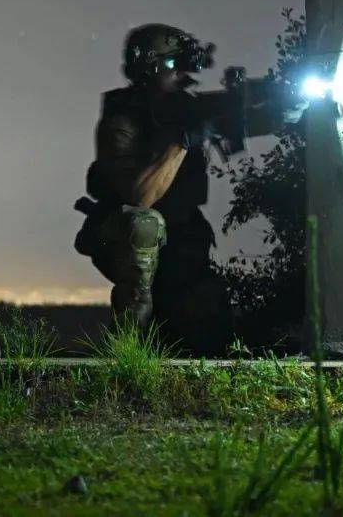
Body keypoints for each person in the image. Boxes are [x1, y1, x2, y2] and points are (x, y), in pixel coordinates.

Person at [74, 24, 268, 355]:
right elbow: (140, 196)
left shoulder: (187, 108)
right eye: (171, 66)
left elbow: (258, 121)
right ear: (149, 69)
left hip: (179, 238)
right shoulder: (123, 118)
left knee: (204, 326)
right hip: (120, 235)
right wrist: (184, 140)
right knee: (144, 222)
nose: (182, 74)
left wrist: (283, 108)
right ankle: (128, 345)